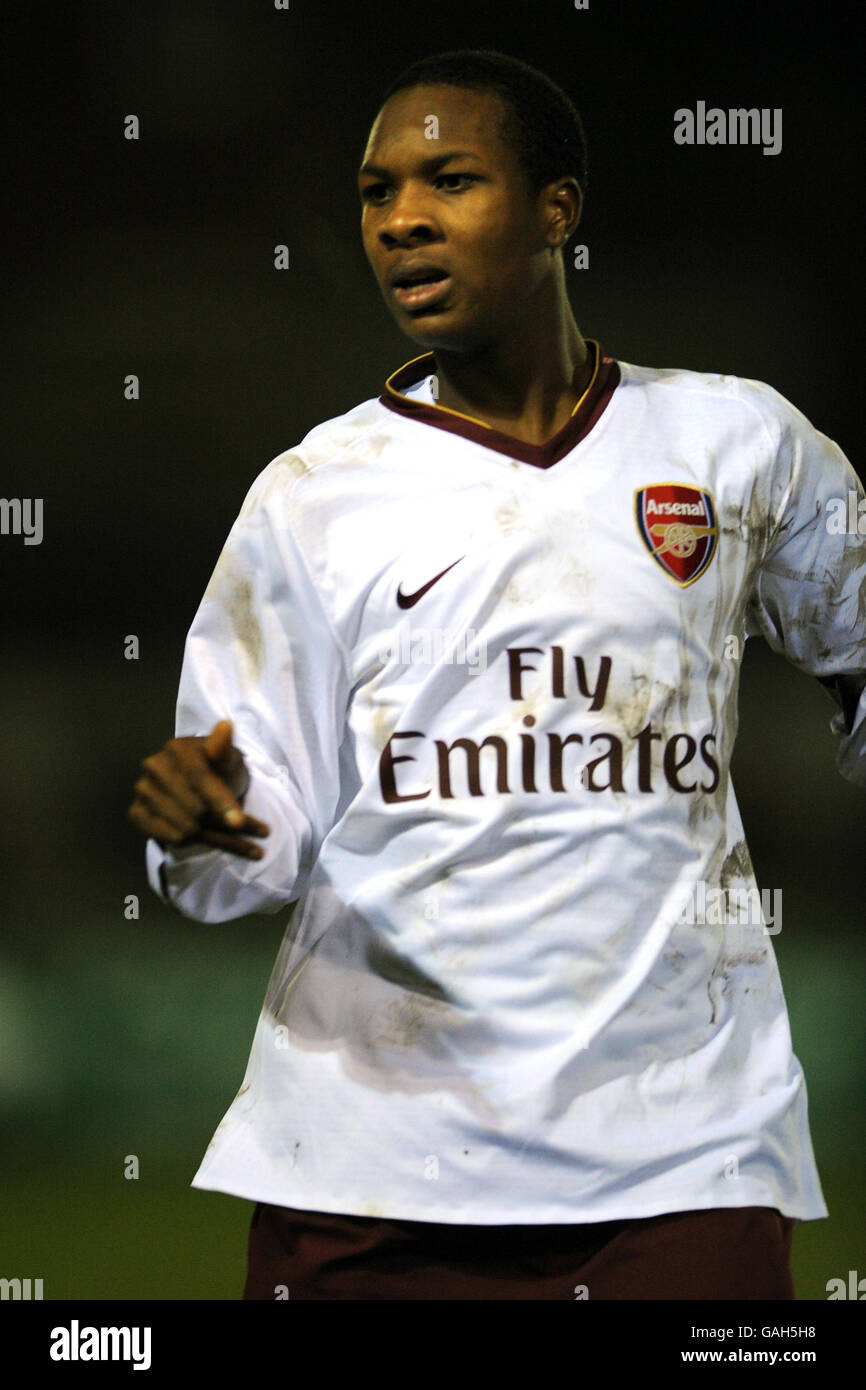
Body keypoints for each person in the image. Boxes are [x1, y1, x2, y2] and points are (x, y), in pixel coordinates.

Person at [127, 49, 865, 1300]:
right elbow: (243, 846)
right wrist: (205, 826)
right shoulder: (311, 497)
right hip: (370, 1168)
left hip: (679, 1162)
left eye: (449, 179)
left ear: (555, 210)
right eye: (374, 193)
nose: (400, 218)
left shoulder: (738, 445)